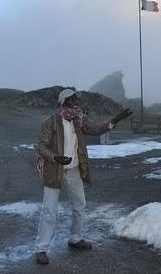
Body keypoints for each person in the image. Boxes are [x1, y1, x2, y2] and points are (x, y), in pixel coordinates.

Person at [34, 89, 132, 265]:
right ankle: (41, 248)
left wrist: (113, 121)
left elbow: (95, 128)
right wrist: (55, 157)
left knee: (80, 205)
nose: (75, 103)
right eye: (71, 100)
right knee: (49, 211)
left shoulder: (79, 120)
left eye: (76, 100)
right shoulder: (51, 122)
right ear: (63, 102)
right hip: (55, 170)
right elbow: (41, 146)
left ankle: (75, 238)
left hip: (73, 170)